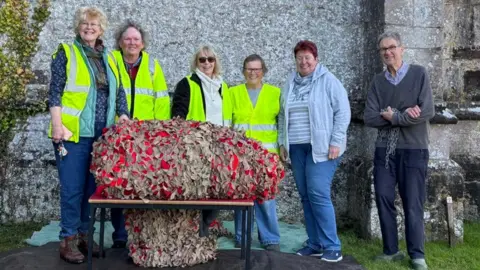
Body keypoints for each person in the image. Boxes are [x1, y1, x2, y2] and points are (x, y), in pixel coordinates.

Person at [48, 6, 129, 264]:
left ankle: (85, 235)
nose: (89, 28)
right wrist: (57, 125)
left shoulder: (112, 57)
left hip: (101, 136)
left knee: (91, 190)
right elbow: (55, 92)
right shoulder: (67, 52)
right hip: (72, 134)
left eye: (94, 24)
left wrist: (123, 115)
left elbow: (120, 93)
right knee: (72, 189)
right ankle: (68, 239)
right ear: (78, 27)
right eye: (85, 24)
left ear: (102, 29)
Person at [363, 31, 434, 270]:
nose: (387, 52)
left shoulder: (418, 74)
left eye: (391, 47)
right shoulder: (377, 82)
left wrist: (394, 115)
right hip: (385, 149)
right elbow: (370, 117)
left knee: (412, 201)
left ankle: (417, 255)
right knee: (383, 198)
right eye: (383, 49)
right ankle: (391, 250)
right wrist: (404, 115)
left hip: (413, 149)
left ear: (402, 49)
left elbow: (426, 111)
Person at [277, 40, 351, 262]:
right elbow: (282, 115)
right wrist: (282, 142)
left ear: (316, 59)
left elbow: (343, 112)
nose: (303, 61)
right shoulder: (290, 82)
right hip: (297, 148)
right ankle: (315, 243)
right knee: (306, 197)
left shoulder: (328, 81)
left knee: (318, 193)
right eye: (299, 57)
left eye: (308, 57)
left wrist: (336, 142)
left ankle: (332, 246)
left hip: (323, 148)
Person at [109, 19, 171, 249]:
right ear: (119, 42)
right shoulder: (110, 61)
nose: (132, 43)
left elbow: (162, 102)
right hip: (117, 134)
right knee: (117, 184)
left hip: (147, 138)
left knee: (145, 185)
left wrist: (159, 134)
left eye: (136, 39)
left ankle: (143, 232)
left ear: (143, 44)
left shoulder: (153, 66)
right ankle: (120, 234)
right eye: (127, 39)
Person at [171, 45, 232, 236]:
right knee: (196, 188)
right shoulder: (187, 83)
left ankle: (205, 225)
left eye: (210, 59)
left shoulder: (223, 86)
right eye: (202, 59)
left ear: (216, 62)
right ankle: (194, 230)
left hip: (220, 144)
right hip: (195, 145)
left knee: (216, 188)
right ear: (196, 62)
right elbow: (177, 114)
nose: (206, 63)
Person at [230, 54, 281, 252]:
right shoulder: (233, 93)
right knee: (242, 197)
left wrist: (283, 149)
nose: (253, 73)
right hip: (241, 155)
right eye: (249, 69)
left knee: (266, 199)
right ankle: (242, 237)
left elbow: (282, 122)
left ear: (264, 71)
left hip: (267, 156)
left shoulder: (275, 93)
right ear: (243, 71)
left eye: (257, 69)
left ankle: (270, 239)